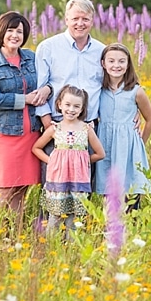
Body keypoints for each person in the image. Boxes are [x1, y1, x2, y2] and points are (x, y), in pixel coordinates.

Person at [0, 11, 50, 231]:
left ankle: (14, 235)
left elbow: (49, 80)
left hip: (32, 134)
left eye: (19, 31)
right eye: (10, 30)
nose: (15, 35)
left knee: (22, 189)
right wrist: (25, 99)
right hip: (6, 134)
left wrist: (47, 89)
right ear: (1, 32)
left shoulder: (32, 57)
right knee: (6, 190)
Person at [35, 0, 106, 189]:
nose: (80, 23)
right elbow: (39, 91)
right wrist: (49, 125)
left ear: (92, 20)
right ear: (66, 19)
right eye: (75, 18)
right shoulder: (48, 47)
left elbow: (111, 87)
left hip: (88, 130)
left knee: (82, 190)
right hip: (56, 128)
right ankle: (47, 221)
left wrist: (134, 108)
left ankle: (81, 221)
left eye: (85, 19)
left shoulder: (102, 51)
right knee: (52, 187)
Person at [32, 85, 105, 235]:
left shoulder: (86, 129)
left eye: (76, 106)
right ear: (59, 104)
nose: (71, 109)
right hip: (58, 180)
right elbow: (36, 148)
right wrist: (51, 160)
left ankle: (72, 250)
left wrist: (84, 160)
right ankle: (51, 249)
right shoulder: (55, 129)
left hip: (78, 181)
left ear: (82, 109)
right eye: (68, 105)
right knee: (55, 218)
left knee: (73, 220)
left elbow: (100, 153)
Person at [94, 43, 151, 212]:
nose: (116, 65)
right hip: (106, 143)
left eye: (121, 61)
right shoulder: (99, 89)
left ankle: (132, 226)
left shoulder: (136, 91)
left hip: (128, 147)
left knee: (130, 188)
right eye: (111, 61)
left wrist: (140, 143)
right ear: (103, 64)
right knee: (109, 190)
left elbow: (149, 119)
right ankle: (111, 227)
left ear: (128, 64)